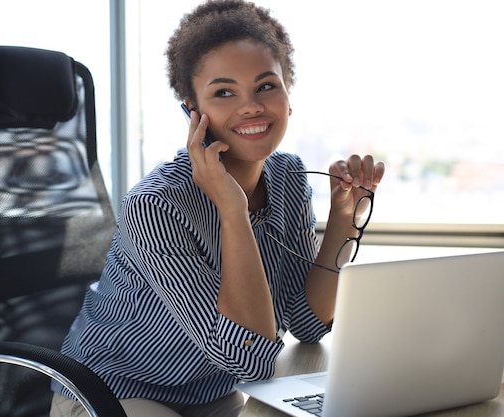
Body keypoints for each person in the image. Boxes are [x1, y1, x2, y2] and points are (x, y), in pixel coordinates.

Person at [50, 1, 385, 416]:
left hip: (210, 392)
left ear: (288, 97)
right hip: (113, 392)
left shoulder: (288, 176)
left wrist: (341, 221)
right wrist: (232, 209)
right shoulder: (156, 204)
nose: (251, 106)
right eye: (224, 92)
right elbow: (250, 357)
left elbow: (309, 323)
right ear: (193, 113)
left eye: (266, 86)